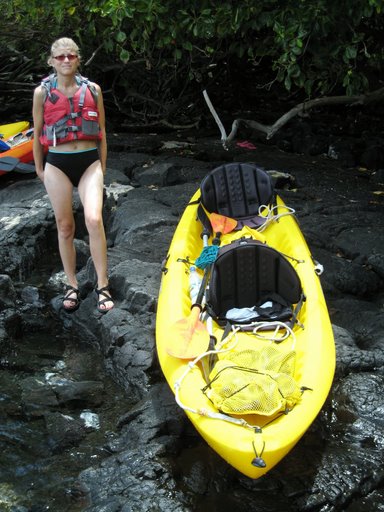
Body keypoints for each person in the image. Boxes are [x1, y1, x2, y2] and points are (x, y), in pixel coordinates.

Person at [32, 37, 114, 313]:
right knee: (65, 226)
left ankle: (103, 284)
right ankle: (72, 284)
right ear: (51, 61)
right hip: (57, 163)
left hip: (89, 162)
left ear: (78, 59)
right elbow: (37, 132)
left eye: (71, 56)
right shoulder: (42, 93)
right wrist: (40, 169)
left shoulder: (93, 89)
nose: (65, 60)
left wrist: (101, 166)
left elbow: (102, 131)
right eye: (60, 57)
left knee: (93, 219)